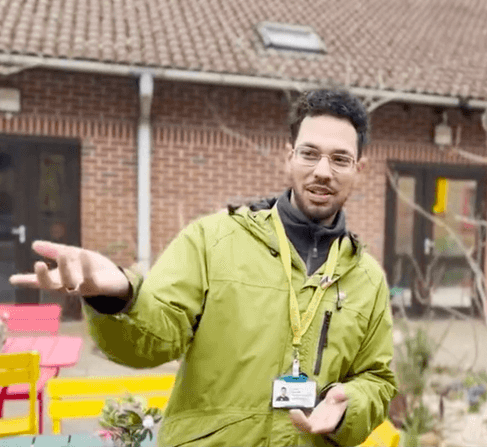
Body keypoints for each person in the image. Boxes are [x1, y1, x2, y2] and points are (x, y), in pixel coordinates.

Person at [9, 88, 397, 447]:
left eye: (340, 158)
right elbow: (153, 342)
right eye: (310, 153)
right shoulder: (212, 240)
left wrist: (351, 402)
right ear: (289, 155)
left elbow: (377, 379)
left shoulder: (367, 278)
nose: (323, 171)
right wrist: (121, 297)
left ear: (359, 168)